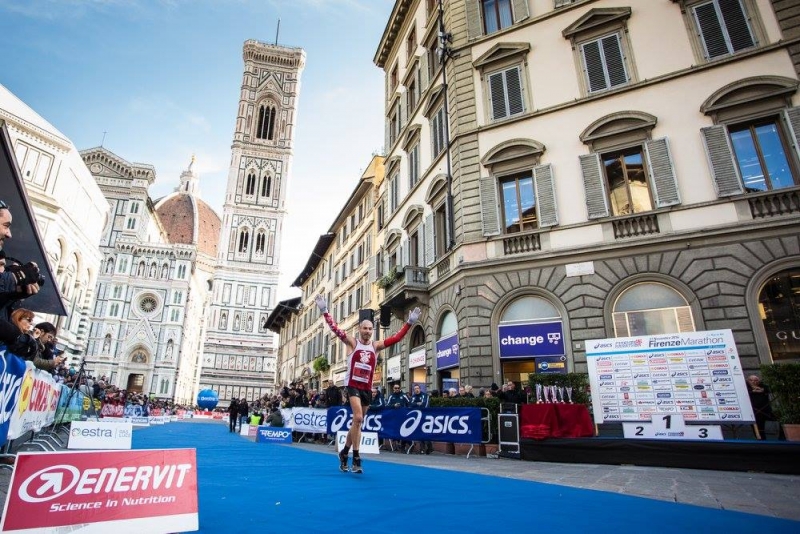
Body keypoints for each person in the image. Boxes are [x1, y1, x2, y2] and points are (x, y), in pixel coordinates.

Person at [315, 293, 420, 474]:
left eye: (370, 329)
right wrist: (325, 310)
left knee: (357, 424)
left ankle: (344, 452)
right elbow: (335, 329)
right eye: (365, 329)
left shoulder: (376, 346)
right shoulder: (352, 342)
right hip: (352, 385)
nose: (367, 332)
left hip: (366, 388)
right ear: (359, 330)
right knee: (358, 418)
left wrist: (409, 323)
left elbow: (396, 338)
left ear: (373, 330)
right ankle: (356, 457)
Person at [746, 375, 774, 440]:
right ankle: (760, 439)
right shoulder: (746, 386)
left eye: (756, 380)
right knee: (757, 428)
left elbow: (768, 389)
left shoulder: (762, 386)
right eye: (751, 380)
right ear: (748, 381)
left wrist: (762, 390)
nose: (754, 382)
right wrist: (753, 390)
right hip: (753, 411)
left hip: (764, 410)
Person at [409, 384, 432, 454]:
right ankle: (422, 448)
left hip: (425, 416)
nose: (416, 390)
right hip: (416, 417)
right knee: (419, 432)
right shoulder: (413, 397)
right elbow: (410, 404)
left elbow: (425, 404)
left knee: (425, 432)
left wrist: (416, 404)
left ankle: (429, 446)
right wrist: (417, 404)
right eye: (415, 389)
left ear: (420, 389)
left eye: (417, 388)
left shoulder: (425, 395)